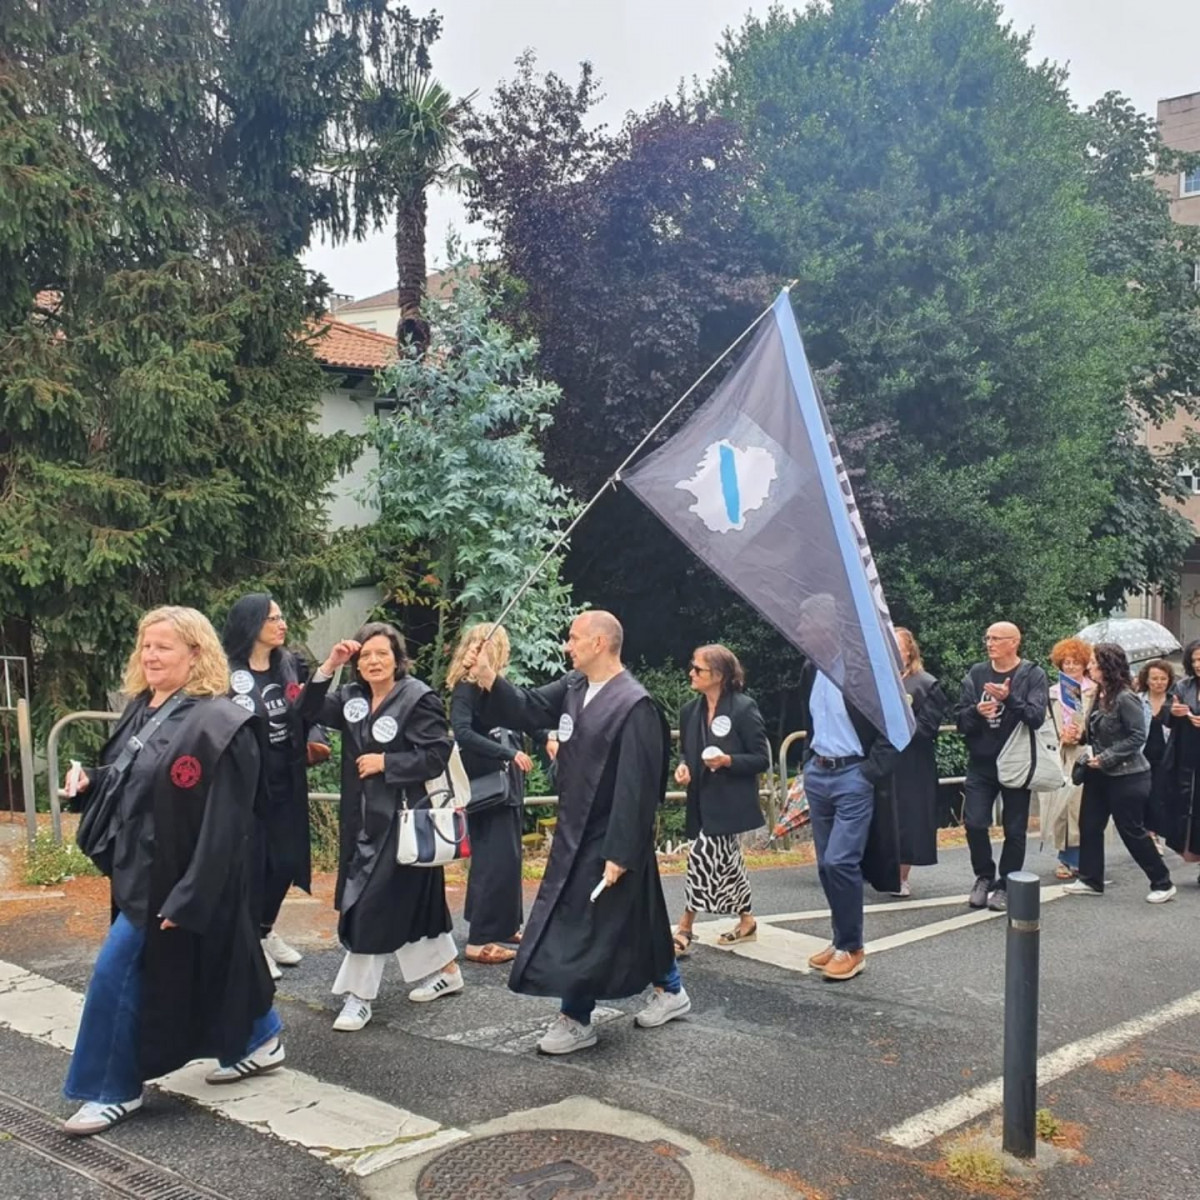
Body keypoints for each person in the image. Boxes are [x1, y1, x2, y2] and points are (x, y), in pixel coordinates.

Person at [64, 606, 281, 1136]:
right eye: (146, 645)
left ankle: (109, 1089)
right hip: (139, 865)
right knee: (221, 958)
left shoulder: (223, 725)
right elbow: (128, 776)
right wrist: (89, 781)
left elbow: (228, 824)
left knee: (116, 973)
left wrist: (191, 897)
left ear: (196, 653)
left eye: (163, 646)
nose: (150, 655)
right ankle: (260, 1035)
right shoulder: (144, 706)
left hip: (184, 876)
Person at [468, 611, 684, 1055]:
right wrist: (488, 677)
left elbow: (636, 786)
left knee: (581, 922)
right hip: (573, 825)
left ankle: (575, 1017)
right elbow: (526, 706)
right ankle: (672, 987)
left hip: (609, 833)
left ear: (600, 643)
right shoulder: (574, 687)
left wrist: (621, 851)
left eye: (574, 638)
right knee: (640, 912)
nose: (567, 646)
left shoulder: (634, 704)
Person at [302, 623, 461, 1032]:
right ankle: (447, 969)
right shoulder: (351, 697)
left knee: (367, 904)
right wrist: (329, 666)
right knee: (411, 898)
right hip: (361, 818)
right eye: (365, 655)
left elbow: (436, 754)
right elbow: (307, 710)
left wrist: (387, 764)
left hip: (400, 816)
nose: (373, 661)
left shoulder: (416, 698)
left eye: (382, 654)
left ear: (397, 658)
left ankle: (359, 997)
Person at [797, 627, 901, 982]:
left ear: (827, 627)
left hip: (853, 774)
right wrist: (807, 762)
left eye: (807, 622)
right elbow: (811, 721)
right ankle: (840, 939)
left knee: (841, 860)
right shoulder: (811, 668)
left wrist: (869, 772)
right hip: (820, 771)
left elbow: (895, 724)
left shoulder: (863, 670)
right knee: (826, 865)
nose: (800, 629)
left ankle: (853, 949)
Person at [222, 593, 313, 979]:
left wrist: (315, 736)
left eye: (282, 616)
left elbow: (306, 707)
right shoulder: (225, 669)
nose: (282, 624)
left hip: (286, 774)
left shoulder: (289, 663)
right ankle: (250, 942)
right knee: (252, 863)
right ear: (252, 624)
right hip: (245, 781)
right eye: (273, 618)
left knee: (286, 860)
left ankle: (264, 928)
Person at [672, 644, 770, 954]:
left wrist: (728, 761)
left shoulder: (743, 708)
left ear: (719, 675)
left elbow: (760, 758)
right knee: (729, 864)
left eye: (698, 669)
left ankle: (685, 926)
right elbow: (686, 751)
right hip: (701, 800)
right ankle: (747, 919)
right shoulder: (690, 711)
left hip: (731, 803)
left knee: (700, 858)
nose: (691, 673)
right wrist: (683, 766)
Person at [446, 623, 532, 965]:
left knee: (509, 858)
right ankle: (479, 940)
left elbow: (524, 715)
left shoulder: (496, 688)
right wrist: (506, 753)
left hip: (507, 783)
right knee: (490, 862)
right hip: (486, 783)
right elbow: (463, 733)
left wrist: (549, 737)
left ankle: (505, 924)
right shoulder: (467, 689)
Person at [1064, 643, 1175, 903]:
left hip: (1128, 775)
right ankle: (1091, 879)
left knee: (1131, 829)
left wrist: (1107, 757)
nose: (1089, 666)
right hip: (1098, 774)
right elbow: (1097, 732)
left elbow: (1138, 736)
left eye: (1093, 662)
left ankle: (1163, 881)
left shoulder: (1126, 697)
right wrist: (1079, 737)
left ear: (1106, 666)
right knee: (1089, 826)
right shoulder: (1100, 694)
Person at [955, 622, 1050, 912]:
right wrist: (977, 711)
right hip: (982, 762)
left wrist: (1009, 699)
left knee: (1015, 829)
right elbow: (960, 720)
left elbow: (1036, 717)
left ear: (1014, 642)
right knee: (974, 822)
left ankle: (1006, 883)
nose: (990, 643)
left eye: (996, 638)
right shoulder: (976, 674)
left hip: (1016, 761)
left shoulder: (1032, 675)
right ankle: (984, 875)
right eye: (988, 638)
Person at [889, 629, 946, 898]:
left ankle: (901, 877)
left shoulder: (925, 683)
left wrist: (900, 718)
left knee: (908, 819)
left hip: (912, 762)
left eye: (897, 646)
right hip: (881, 758)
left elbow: (928, 729)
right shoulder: (878, 681)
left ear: (909, 651)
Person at [1044, 637, 1096, 880]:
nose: (1071, 667)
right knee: (1059, 803)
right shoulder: (1053, 692)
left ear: (1085, 664)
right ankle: (1064, 857)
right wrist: (1060, 735)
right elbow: (1045, 722)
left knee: (1080, 804)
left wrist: (1081, 734)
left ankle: (1078, 857)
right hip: (1059, 751)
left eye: (1076, 662)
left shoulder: (1094, 690)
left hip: (1085, 753)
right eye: (1066, 662)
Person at [1162, 640, 1200, 880]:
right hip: (1187, 756)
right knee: (1190, 808)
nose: (1198, 664)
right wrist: (1173, 712)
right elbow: (1166, 715)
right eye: (1194, 660)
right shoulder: (1183, 686)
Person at [1135, 658, 1175, 847]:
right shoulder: (1137, 699)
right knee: (1144, 796)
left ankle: (1155, 833)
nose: (1159, 683)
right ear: (1147, 680)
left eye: (1163, 679)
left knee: (1160, 796)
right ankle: (1150, 834)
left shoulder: (1175, 700)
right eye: (1155, 678)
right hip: (1142, 755)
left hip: (1167, 757)